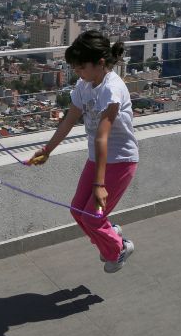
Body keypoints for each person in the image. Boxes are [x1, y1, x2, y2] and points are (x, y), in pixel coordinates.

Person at [28, 30, 139, 273]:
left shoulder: (111, 90)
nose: (77, 73)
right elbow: (69, 120)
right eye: (75, 69)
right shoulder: (84, 85)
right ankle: (110, 234)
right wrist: (47, 150)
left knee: (91, 217)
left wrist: (99, 185)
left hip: (120, 161)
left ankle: (119, 248)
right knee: (78, 210)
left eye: (81, 68)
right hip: (97, 160)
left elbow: (102, 136)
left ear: (100, 63)